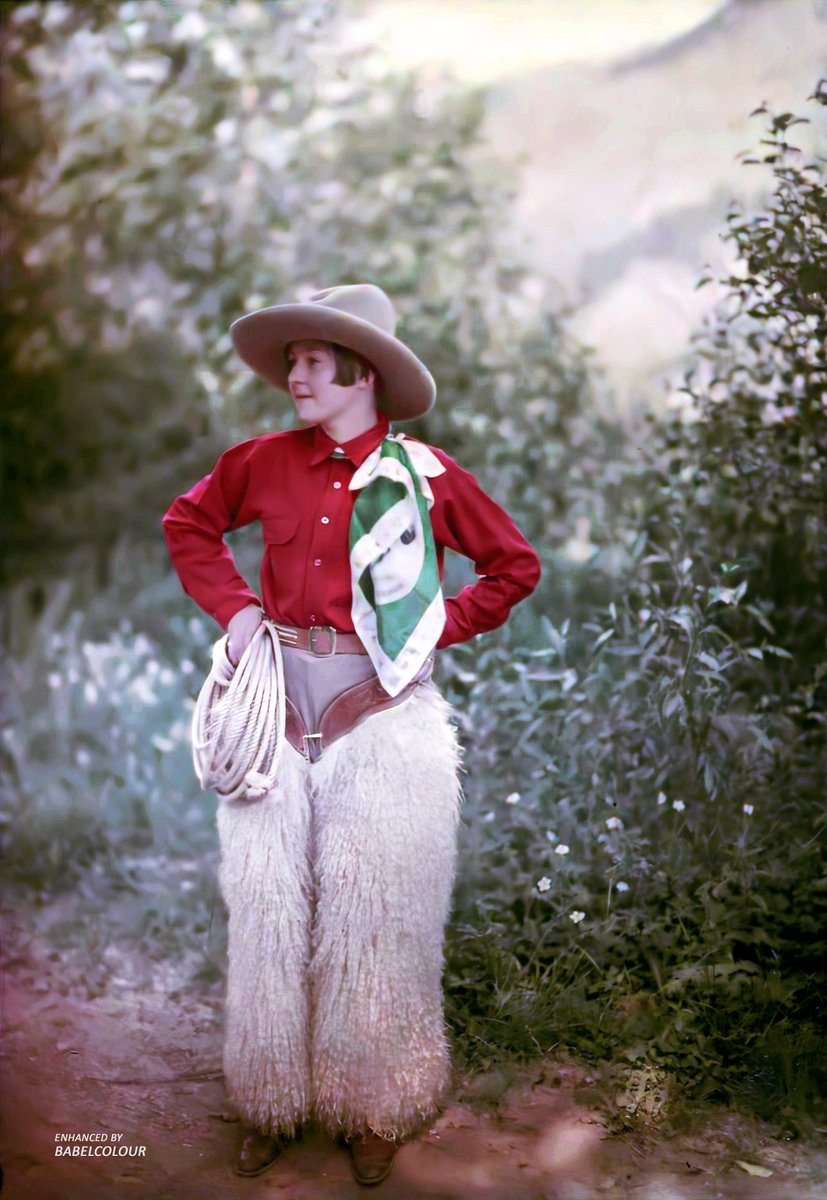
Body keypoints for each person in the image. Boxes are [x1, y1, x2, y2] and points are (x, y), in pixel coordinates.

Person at [162, 283, 540, 1186]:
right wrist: (238, 612)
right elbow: (189, 523)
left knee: (376, 920)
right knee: (267, 914)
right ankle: (270, 1100)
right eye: (291, 360)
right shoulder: (261, 462)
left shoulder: (426, 476)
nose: (295, 375)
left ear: (361, 372)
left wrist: (434, 628)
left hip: (381, 713)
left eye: (312, 361)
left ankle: (374, 1106)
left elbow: (512, 565)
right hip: (276, 710)